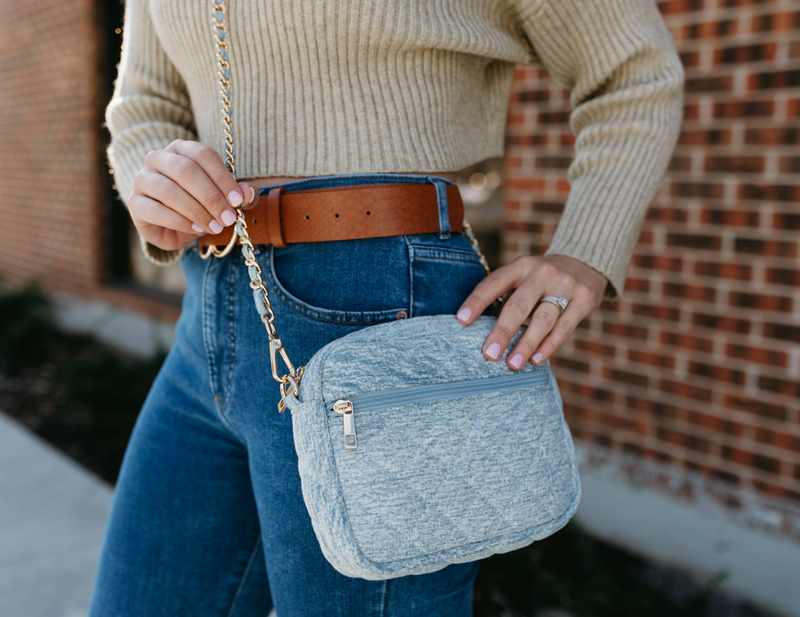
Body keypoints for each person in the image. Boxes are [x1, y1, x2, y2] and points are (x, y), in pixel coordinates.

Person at [89, 0, 684, 615]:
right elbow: (144, 106)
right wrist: (155, 186)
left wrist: (585, 252)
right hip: (210, 309)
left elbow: (633, 70)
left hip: (381, 308)